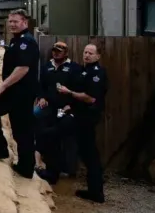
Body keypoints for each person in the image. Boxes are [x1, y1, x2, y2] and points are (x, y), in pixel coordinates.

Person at [35, 44, 108, 203]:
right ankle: (94, 190)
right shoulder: (83, 70)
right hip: (76, 114)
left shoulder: (97, 74)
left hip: (86, 118)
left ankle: (94, 191)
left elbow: (91, 98)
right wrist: (70, 105)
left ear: (98, 56)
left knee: (52, 135)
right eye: (85, 52)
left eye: (91, 53)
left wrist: (70, 93)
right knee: (86, 152)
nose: (87, 55)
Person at [0, 9, 39, 179]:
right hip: (12, 91)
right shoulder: (16, 40)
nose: (12, 24)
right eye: (10, 21)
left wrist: (2, 86)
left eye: (16, 21)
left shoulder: (26, 42)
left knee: (22, 130)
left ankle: (26, 168)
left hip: (21, 94)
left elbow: (23, 69)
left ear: (25, 23)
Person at [34, 42, 82, 118]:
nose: (56, 53)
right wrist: (41, 98)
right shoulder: (46, 66)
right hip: (48, 104)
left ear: (66, 53)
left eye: (59, 51)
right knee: (36, 113)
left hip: (66, 106)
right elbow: (41, 85)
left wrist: (71, 105)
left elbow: (78, 88)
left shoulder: (75, 68)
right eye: (54, 51)